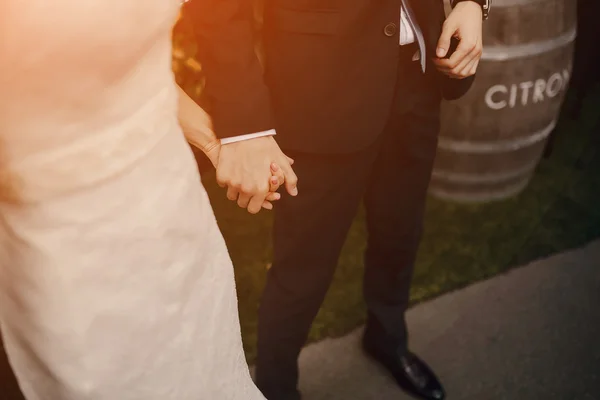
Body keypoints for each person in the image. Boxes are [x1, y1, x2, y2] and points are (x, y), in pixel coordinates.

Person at [188, 0, 489, 399]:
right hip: (321, 91)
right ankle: (276, 387)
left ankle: (388, 337)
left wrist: (472, 3)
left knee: (400, 230)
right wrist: (245, 126)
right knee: (303, 264)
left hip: (418, 74)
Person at [0, 0, 288, 398]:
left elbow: (132, 72)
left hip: (173, 204)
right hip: (56, 231)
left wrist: (216, 144)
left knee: (198, 354)